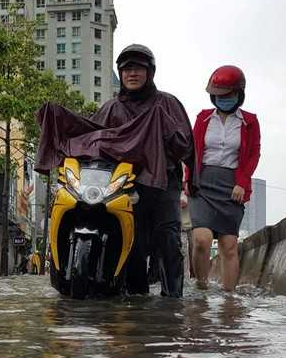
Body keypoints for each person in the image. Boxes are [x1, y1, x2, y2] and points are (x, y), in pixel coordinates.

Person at [93, 44, 194, 297]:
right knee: (132, 241)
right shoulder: (111, 108)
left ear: (150, 72)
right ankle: (137, 298)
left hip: (164, 183)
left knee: (168, 239)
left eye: (138, 68)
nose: (132, 74)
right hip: (124, 185)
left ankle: (173, 300)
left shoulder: (167, 103)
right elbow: (90, 140)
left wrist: (165, 129)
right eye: (127, 69)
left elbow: (186, 145)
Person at [186, 65, 261, 292]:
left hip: (232, 186)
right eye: (218, 95)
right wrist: (188, 180)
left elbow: (253, 154)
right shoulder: (203, 118)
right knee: (201, 239)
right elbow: (191, 150)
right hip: (202, 183)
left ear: (239, 94)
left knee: (229, 245)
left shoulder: (249, 121)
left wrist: (242, 183)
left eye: (228, 95)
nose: (223, 99)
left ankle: (230, 299)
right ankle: (201, 287)